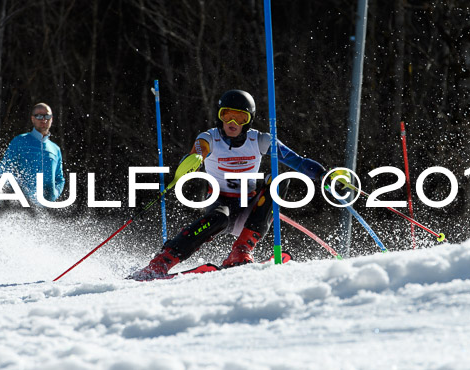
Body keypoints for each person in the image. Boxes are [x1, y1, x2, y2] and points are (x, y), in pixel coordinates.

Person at [129, 89, 327, 280]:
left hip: (250, 207)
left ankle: (240, 252)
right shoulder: (209, 138)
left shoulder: (260, 140)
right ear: (219, 116)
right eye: (227, 116)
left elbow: (297, 161)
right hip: (220, 203)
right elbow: (198, 150)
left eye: (240, 118)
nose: (232, 123)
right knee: (219, 218)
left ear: (249, 121)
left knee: (279, 181)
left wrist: (324, 176)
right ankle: (161, 262)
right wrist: (195, 159)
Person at [0, 103, 65, 205]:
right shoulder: (19, 141)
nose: (43, 119)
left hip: (46, 209)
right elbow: (5, 169)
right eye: (39, 116)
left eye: (47, 116)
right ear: (32, 119)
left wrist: (53, 194)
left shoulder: (55, 149)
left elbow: (59, 179)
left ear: (52, 119)